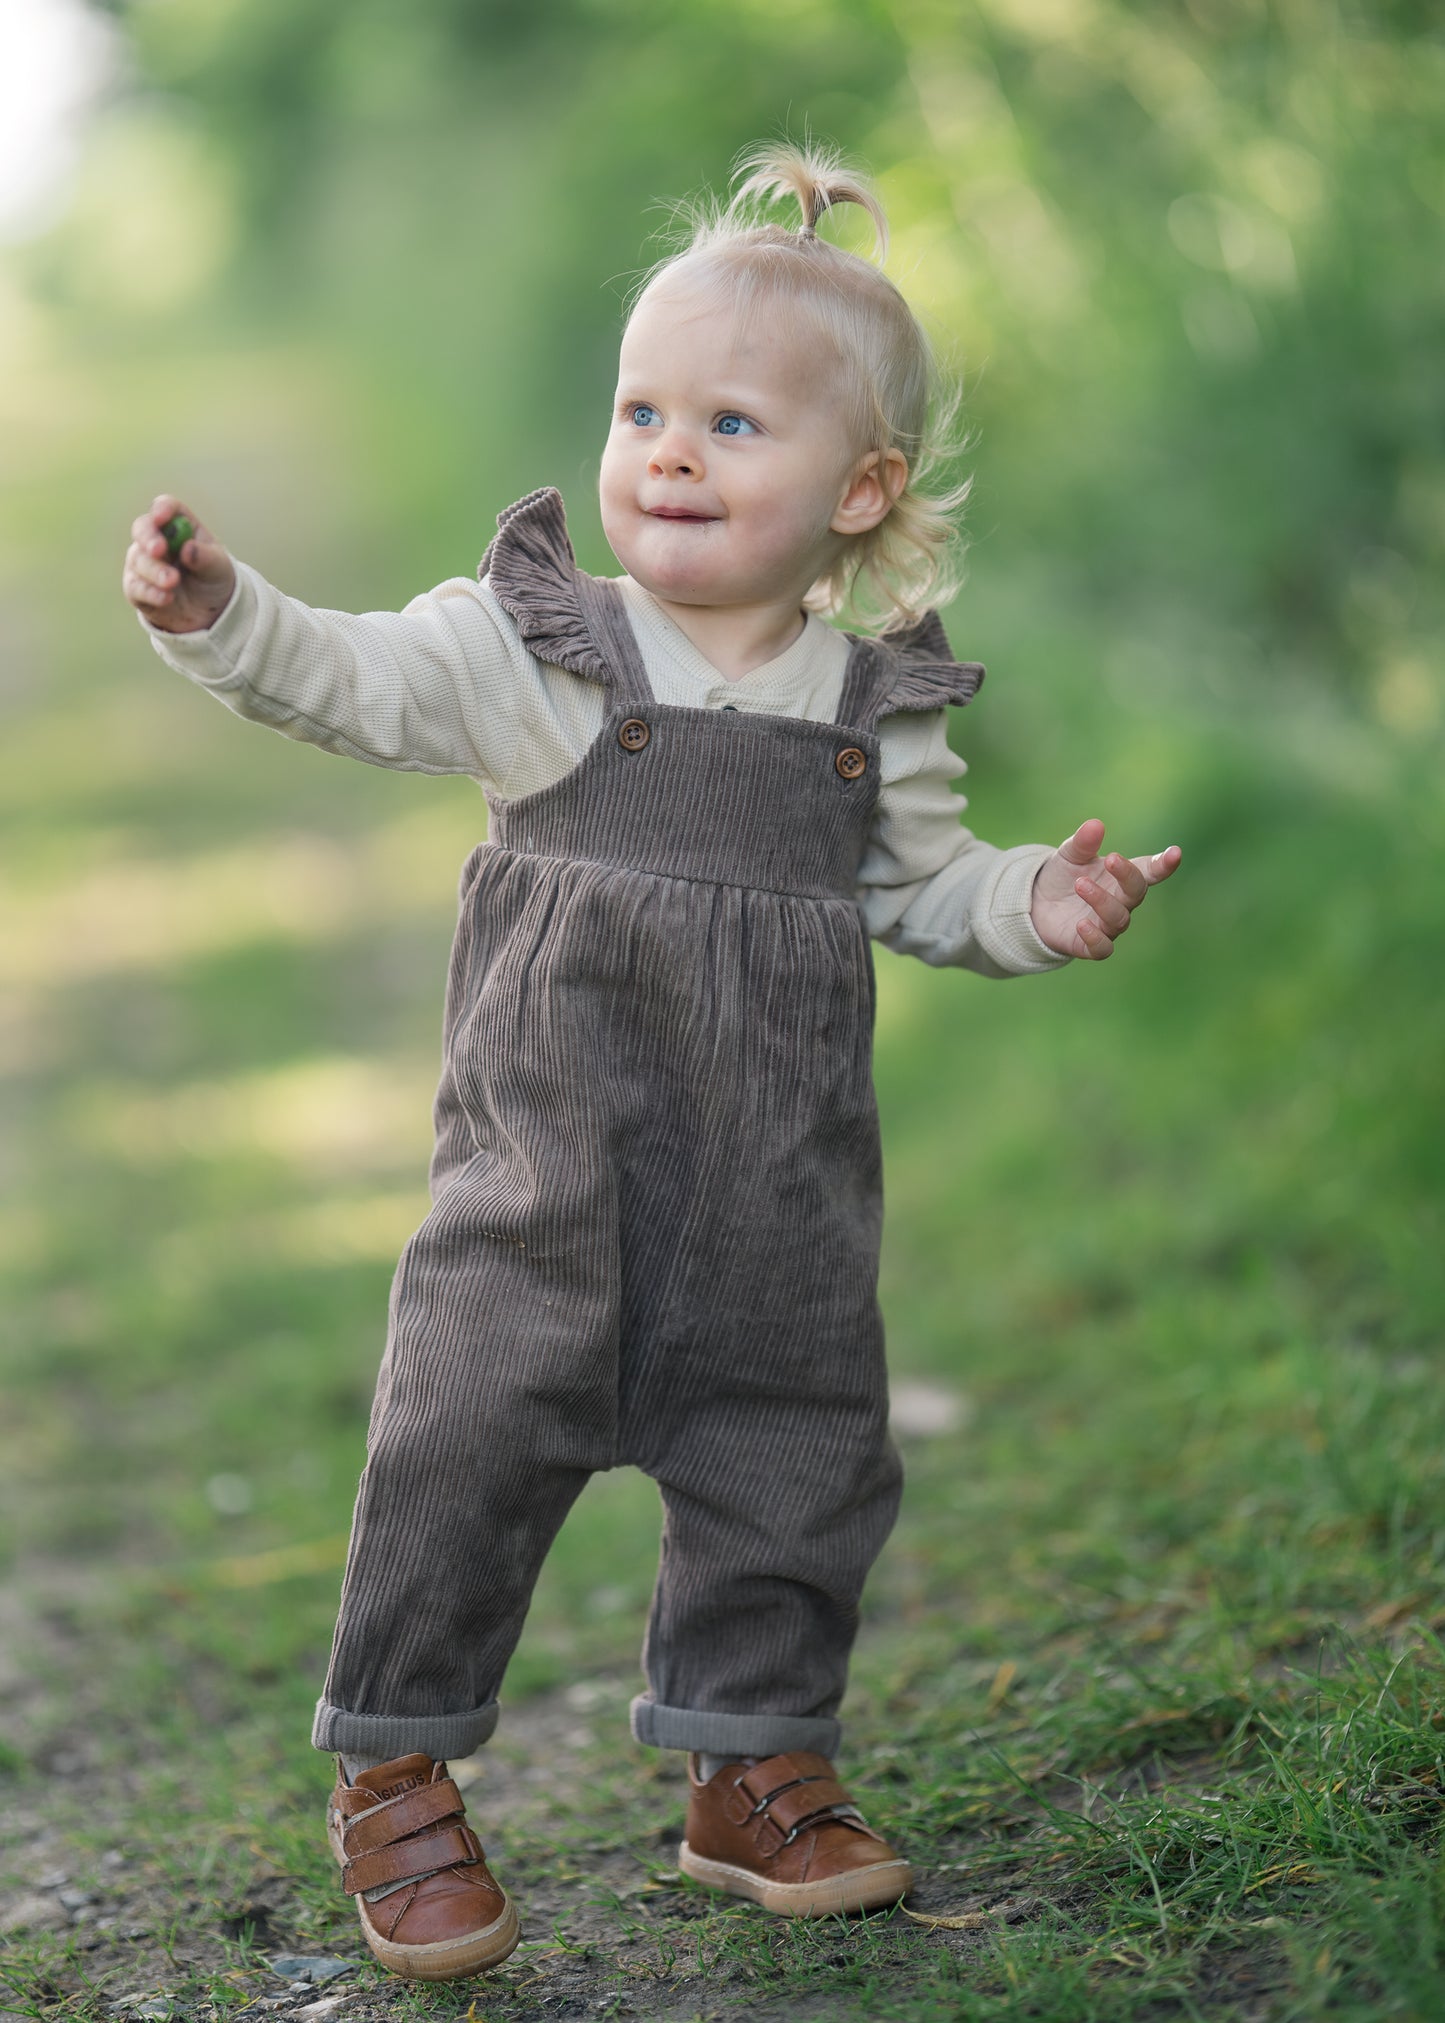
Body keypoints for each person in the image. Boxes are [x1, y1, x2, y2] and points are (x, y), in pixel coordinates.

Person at [122, 140, 1180, 1983]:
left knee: (797, 1456)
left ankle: (751, 1764)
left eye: (733, 426)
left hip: (773, 1193)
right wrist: (227, 616)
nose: (670, 452)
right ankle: (398, 1772)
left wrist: (1039, 906)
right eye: (643, 410)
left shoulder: (871, 708)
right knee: (458, 1438)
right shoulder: (540, 646)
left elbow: (928, 885)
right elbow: (353, 678)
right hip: (540, 1176)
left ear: (863, 493)